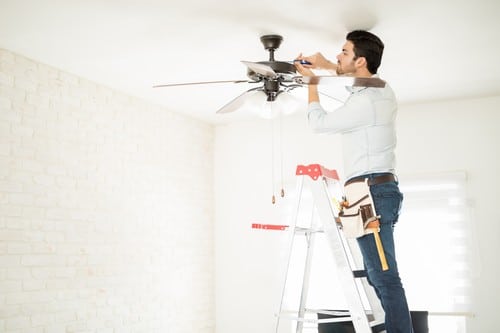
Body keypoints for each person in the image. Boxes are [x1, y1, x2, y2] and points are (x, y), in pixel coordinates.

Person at [295, 30, 414, 333]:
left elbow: (318, 123)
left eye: (344, 52)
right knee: (378, 276)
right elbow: (355, 79)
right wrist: (324, 65)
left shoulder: (366, 102)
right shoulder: (377, 91)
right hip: (372, 191)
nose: (338, 55)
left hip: (370, 193)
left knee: (385, 277)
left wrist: (312, 84)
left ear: (361, 60)